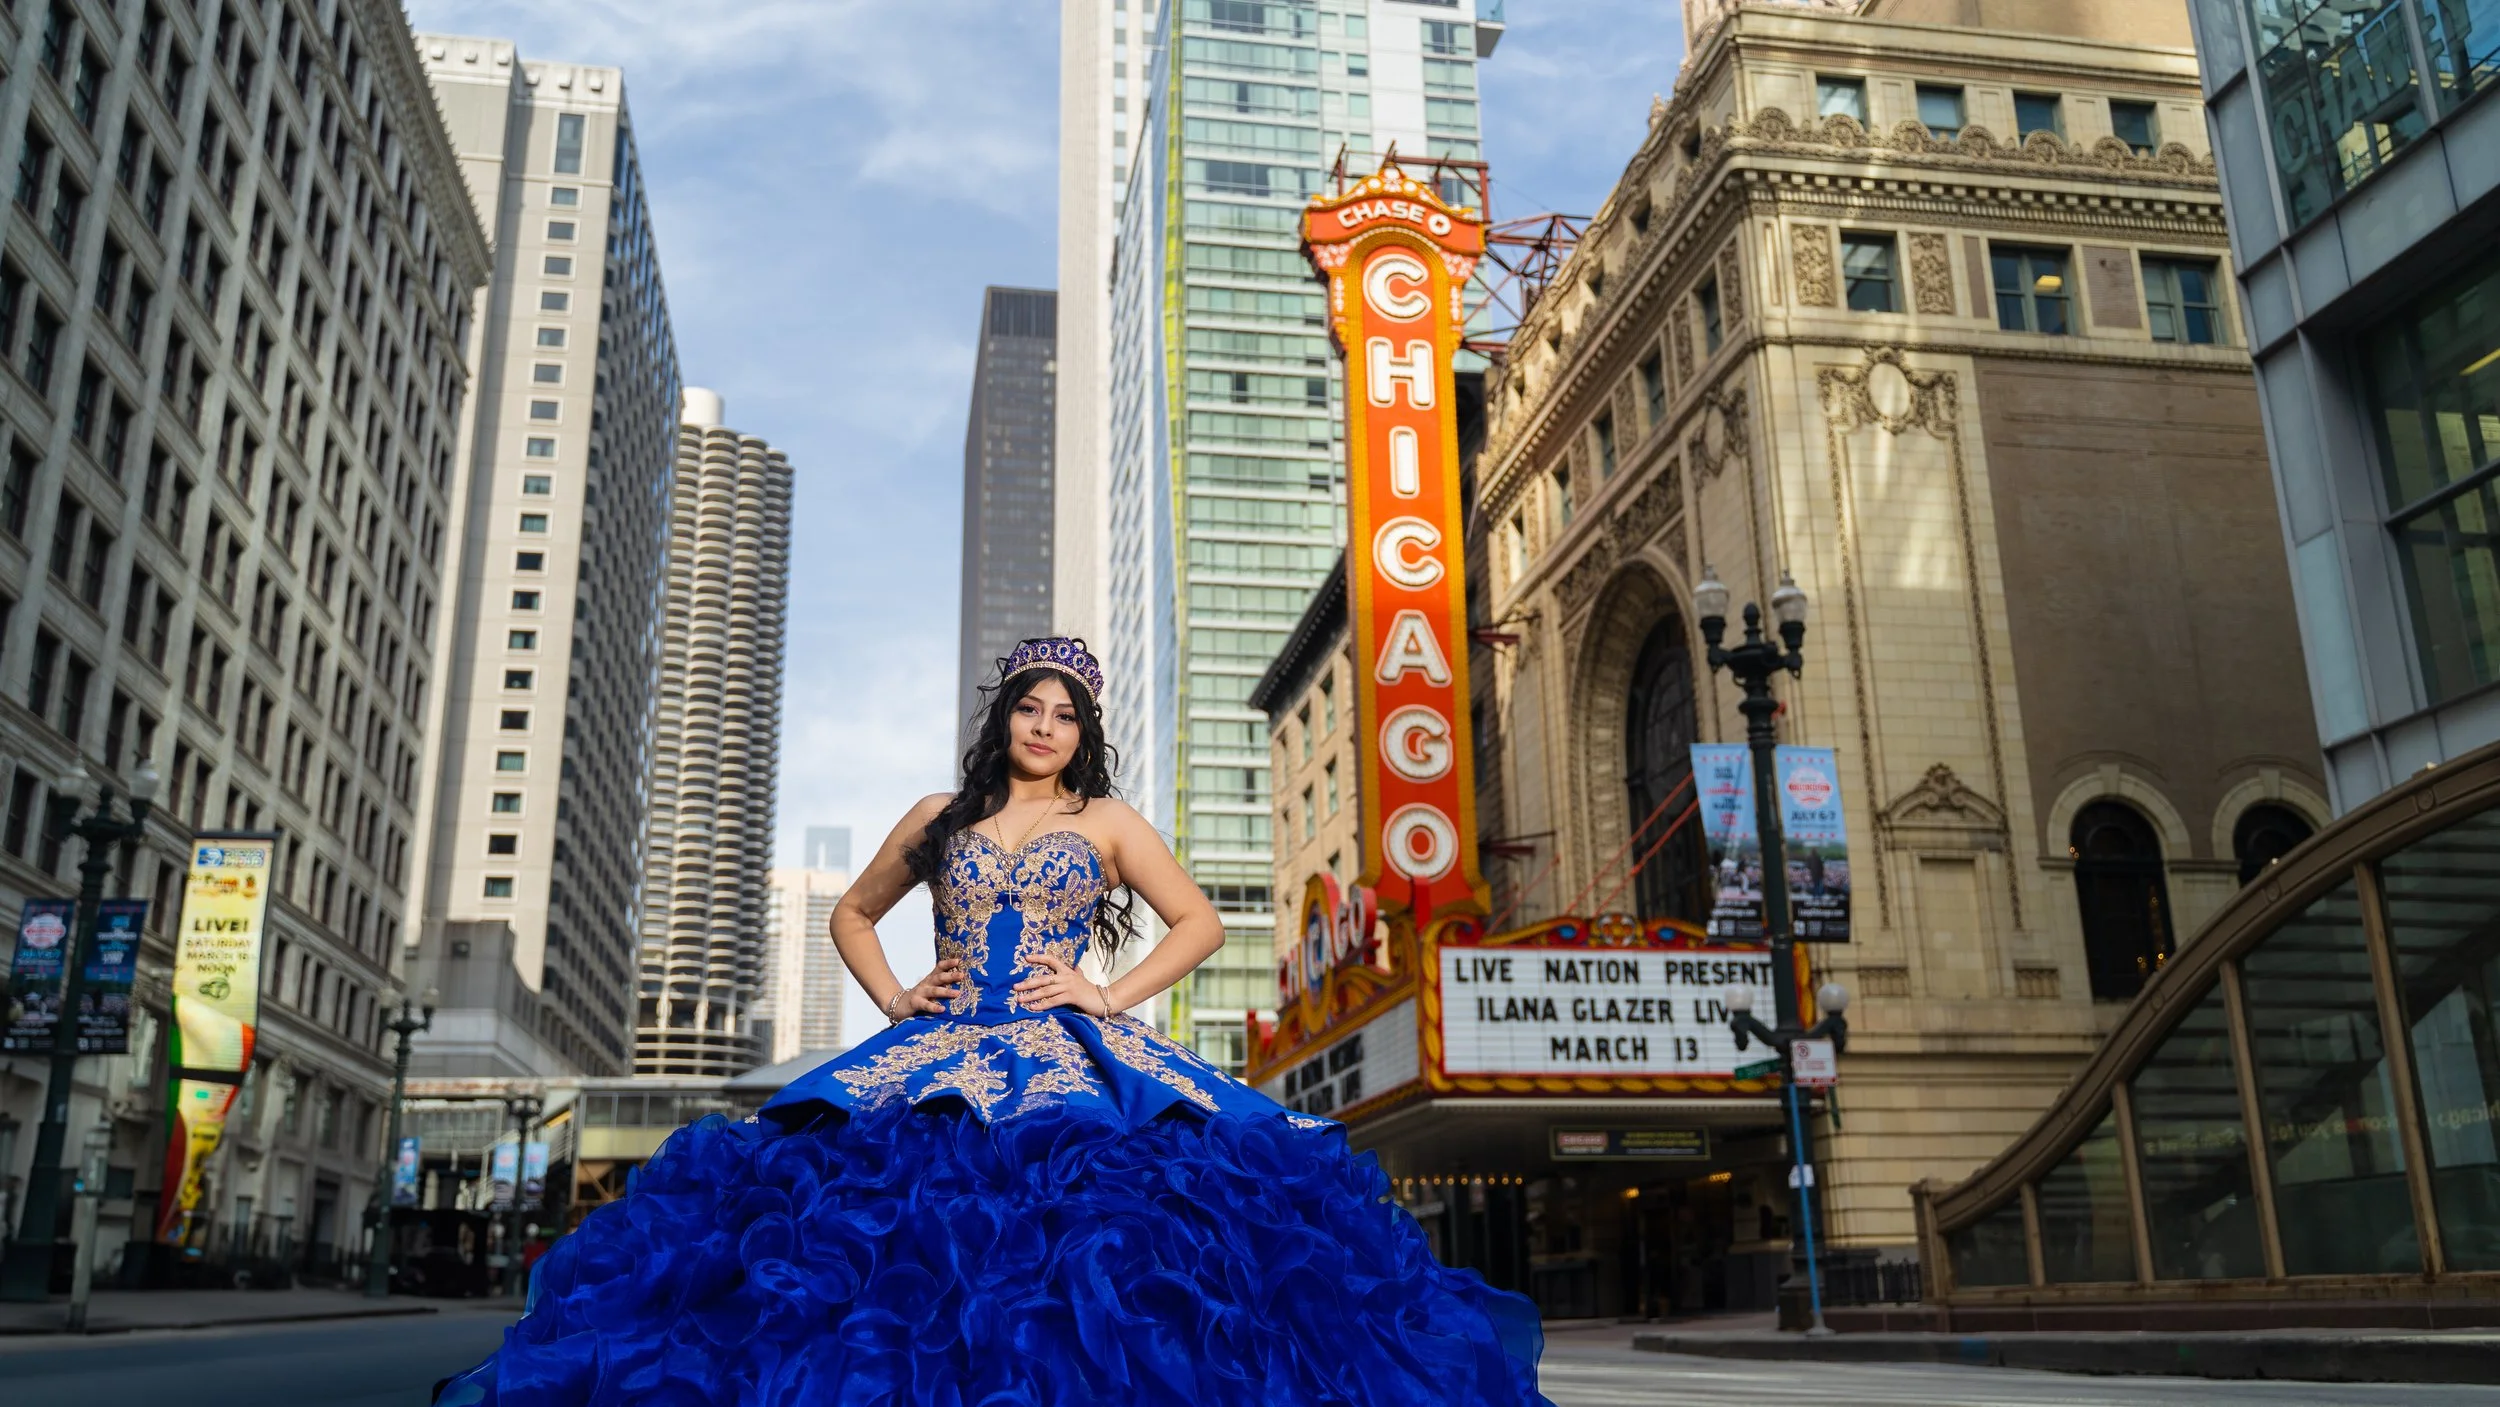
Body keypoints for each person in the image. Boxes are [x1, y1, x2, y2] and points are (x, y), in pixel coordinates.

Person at [436, 638, 1550, 1405]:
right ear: (1004, 715)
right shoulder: (937, 814)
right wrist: (891, 996)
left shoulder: (1107, 819)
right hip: (933, 1047)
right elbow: (858, 914)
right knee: (878, 1253)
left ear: (1083, 732)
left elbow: (1200, 923)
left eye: (1067, 714)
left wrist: (1110, 996)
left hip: (1072, 1050)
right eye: (1032, 706)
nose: (1047, 726)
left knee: (1092, 1252)